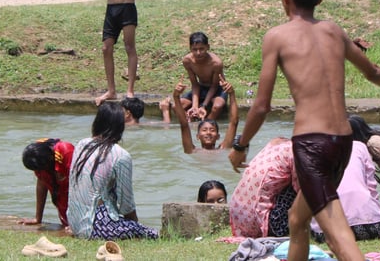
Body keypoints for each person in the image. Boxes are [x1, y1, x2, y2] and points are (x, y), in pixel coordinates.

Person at [228, 0, 380, 261]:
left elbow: (261, 105)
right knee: (298, 219)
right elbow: (372, 71)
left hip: (312, 145)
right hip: (343, 141)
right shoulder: (333, 31)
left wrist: (240, 145)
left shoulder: (277, 37)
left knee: (338, 237)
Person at [67, 102, 158, 240]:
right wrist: (135, 227)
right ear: (120, 127)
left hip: (74, 223)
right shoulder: (120, 155)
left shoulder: (81, 144)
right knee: (154, 234)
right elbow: (126, 205)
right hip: (94, 227)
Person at [310, 139, 380, 242]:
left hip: (323, 233)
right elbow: (371, 188)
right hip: (369, 227)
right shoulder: (358, 146)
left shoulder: (312, 149)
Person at [228, 137, 298, 238]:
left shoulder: (276, 142)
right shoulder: (296, 151)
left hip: (238, 221)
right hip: (262, 225)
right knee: (305, 183)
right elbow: (305, 191)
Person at [18, 138, 75, 228]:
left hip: (75, 202)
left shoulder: (65, 151)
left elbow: (81, 184)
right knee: (66, 223)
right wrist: (38, 218)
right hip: (62, 203)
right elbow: (42, 183)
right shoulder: (37, 157)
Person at [172, 77, 238, 154]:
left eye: (212, 130)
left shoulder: (223, 148)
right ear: (197, 136)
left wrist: (232, 94)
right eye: (204, 130)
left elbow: (234, 122)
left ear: (218, 136)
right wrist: (176, 97)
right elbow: (184, 125)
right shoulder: (191, 150)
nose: (208, 133)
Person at [180, 32, 227, 120]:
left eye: (202, 49)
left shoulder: (216, 63)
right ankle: (190, 123)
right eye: (195, 49)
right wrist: (194, 106)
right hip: (201, 88)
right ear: (190, 48)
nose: (198, 53)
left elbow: (214, 86)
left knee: (217, 106)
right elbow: (194, 84)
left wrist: (203, 105)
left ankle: (207, 124)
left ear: (208, 47)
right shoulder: (187, 61)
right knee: (177, 106)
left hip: (218, 89)